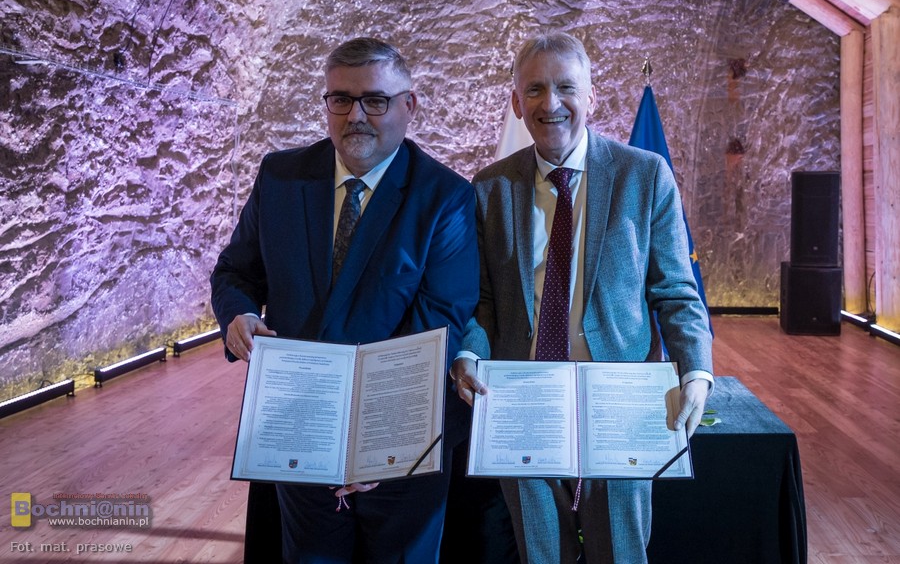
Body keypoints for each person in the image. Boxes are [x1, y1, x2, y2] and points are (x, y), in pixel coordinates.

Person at [210, 37, 479, 564]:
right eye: (341, 99)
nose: (356, 115)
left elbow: (440, 323)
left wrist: (374, 445)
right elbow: (235, 271)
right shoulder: (280, 178)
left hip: (401, 441)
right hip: (301, 427)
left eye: (374, 100)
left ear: (409, 105)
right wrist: (238, 312)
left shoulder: (445, 197)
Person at [451, 32, 714, 563]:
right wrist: (468, 354)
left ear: (591, 96)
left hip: (619, 399)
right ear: (516, 102)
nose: (551, 103)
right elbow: (481, 301)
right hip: (522, 398)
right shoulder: (489, 187)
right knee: (540, 553)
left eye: (566, 87)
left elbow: (675, 292)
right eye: (535, 89)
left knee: (620, 551)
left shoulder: (645, 175)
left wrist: (696, 371)